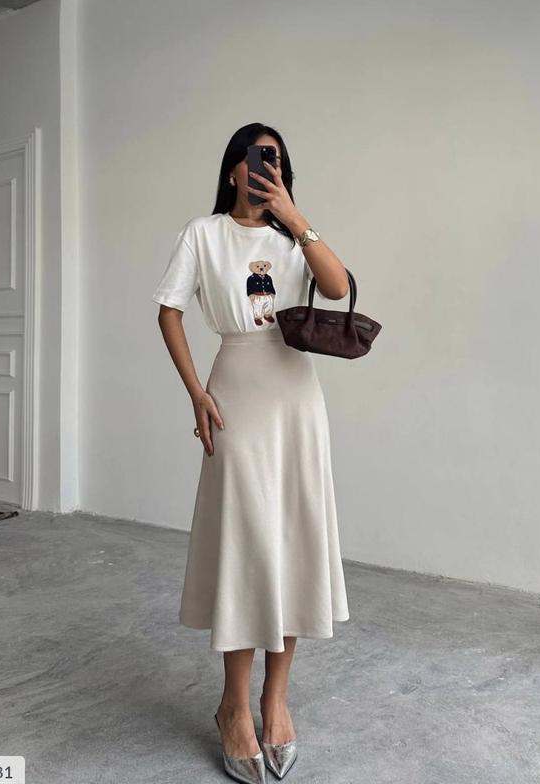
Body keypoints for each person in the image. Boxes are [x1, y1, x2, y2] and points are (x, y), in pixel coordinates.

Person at [153, 123, 350, 783]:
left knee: (292, 541)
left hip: (296, 394)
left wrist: (295, 217)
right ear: (234, 168)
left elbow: (337, 289)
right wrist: (196, 394)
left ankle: (276, 700)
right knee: (246, 544)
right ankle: (233, 706)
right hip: (235, 389)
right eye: (260, 158)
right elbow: (170, 311)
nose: (270, 169)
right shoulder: (203, 234)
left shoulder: (294, 237)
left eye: (279, 162)